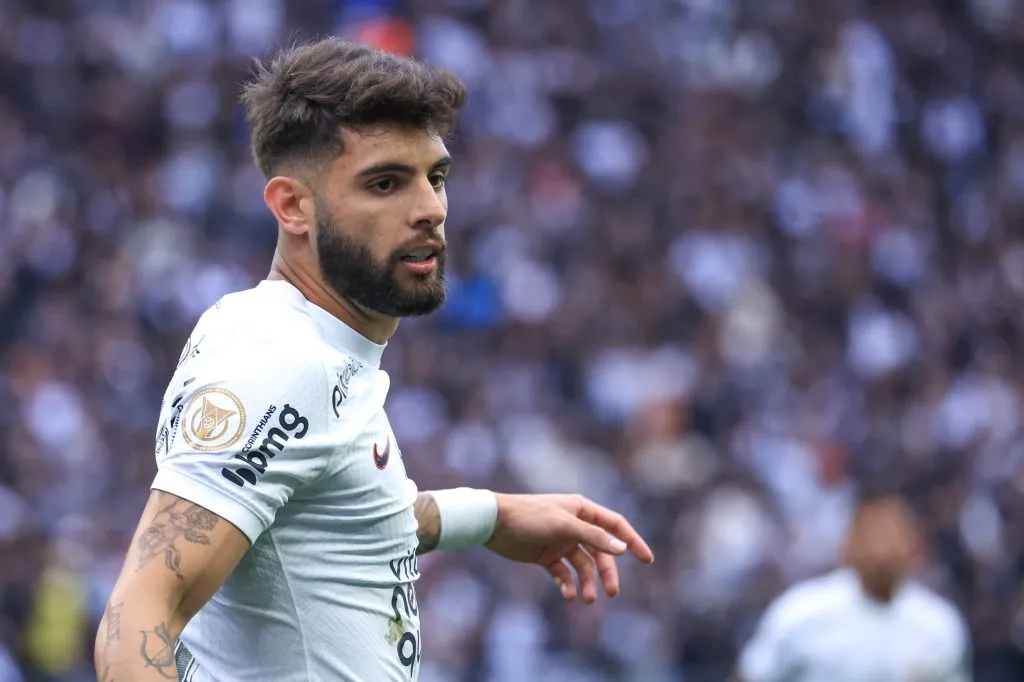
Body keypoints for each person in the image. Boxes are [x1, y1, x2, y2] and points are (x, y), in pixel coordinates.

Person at [92, 37, 654, 682]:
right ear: (293, 207)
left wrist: (491, 515)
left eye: (436, 177)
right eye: (385, 183)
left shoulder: (309, 344)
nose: (431, 210)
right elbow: (137, 613)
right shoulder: (283, 362)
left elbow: (332, 522)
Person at [734, 484, 971, 682]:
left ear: (914, 545)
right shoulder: (801, 613)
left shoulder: (938, 625)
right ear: (849, 543)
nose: (883, 551)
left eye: (893, 535)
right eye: (873, 535)